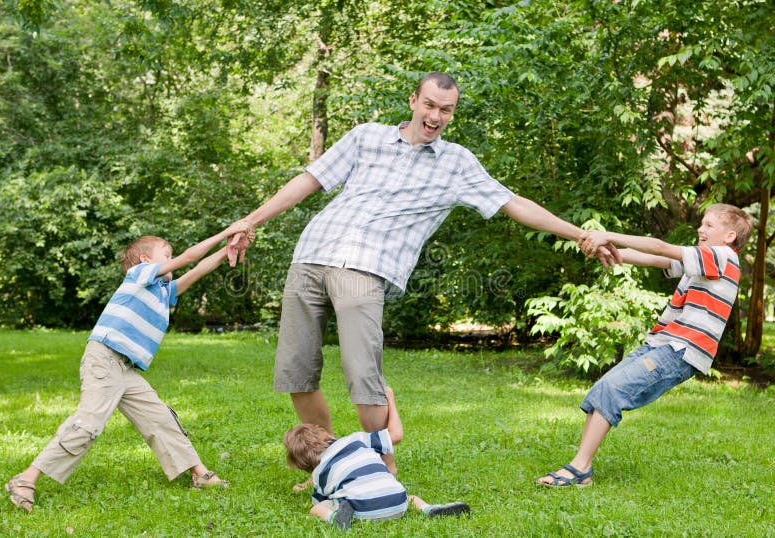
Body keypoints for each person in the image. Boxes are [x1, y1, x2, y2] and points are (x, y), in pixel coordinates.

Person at [225, 72, 616, 470]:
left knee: (363, 375)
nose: (436, 115)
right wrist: (250, 221)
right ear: (413, 101)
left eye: (446, 110)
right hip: (311, 254)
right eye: (429, 105)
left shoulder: (456, 164)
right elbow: (310, 180)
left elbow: (513, 203)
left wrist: (580, 234)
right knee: (297, 371)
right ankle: (327, 466)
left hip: (365, 266)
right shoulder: (366, 137)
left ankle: (381, 467)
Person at [5, 223, 255, 513]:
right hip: (106, 357)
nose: (172, 257)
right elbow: (189, 258)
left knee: (161, 418)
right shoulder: (139, 276)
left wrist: (229, 251)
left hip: (127, 369)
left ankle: (199, 474)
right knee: (88, 424)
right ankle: (26, 478)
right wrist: (227, 232)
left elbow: (197, 270)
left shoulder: (163, 291)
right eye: (166, 253)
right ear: (145, 260)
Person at [537, 203, 753, 487]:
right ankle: (581, 466)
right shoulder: (704, 261)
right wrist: (607, 250)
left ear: (729, 237)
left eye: (709, 225)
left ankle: (579, 470)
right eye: (702, 223)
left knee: (613, 390)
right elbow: (654, 259)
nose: (700, 229)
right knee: (603, 388)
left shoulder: (723, 256)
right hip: (663, 344)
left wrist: (608, 235)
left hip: (680, 351)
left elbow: (661, 247)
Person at [283, 386, 470, 530]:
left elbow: (320, 501)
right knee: (410, 497)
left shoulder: (318, 475)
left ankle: (335, 519)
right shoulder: (356, 440)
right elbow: (396, 434)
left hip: (361, 511)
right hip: (398, 502)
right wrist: (391, 399)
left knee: (316, 508)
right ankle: (428, 509)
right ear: (324, 434)